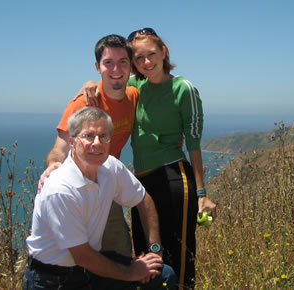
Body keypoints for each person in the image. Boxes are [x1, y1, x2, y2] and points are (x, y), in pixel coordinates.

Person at [80, 28, 217, 289]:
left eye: (151, 55)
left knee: (179, 256)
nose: (146, 62)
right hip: (141, 182)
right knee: (146, 258)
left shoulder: (182, 88)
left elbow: (193, 143)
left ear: (163, 52)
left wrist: (202, 193)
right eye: (139, 58)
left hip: (174, 176)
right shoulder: (135, 87)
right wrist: (88, 85)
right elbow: (110, 85)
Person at [23, 107, 177, 289]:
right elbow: (82, 256)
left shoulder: (110, 167)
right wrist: (131, 273)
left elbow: (143, 200)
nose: (97, 143)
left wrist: (155, 251)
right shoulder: (60, 188)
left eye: (103, 136)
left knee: (163, 275)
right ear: (72, 142)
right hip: (52, 279)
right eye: (88, 136)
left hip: (90, 268)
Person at [39, 34, 138, 257]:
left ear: (131, 66)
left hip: (107, 187)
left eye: (123, 62)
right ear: (97, 66)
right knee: (74, 259)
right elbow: (59, 149)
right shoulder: (83, 103)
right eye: (108, 63)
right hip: (78, 191)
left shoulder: (134, 95)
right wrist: (53, 165)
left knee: (120, 253)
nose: (116, 69)